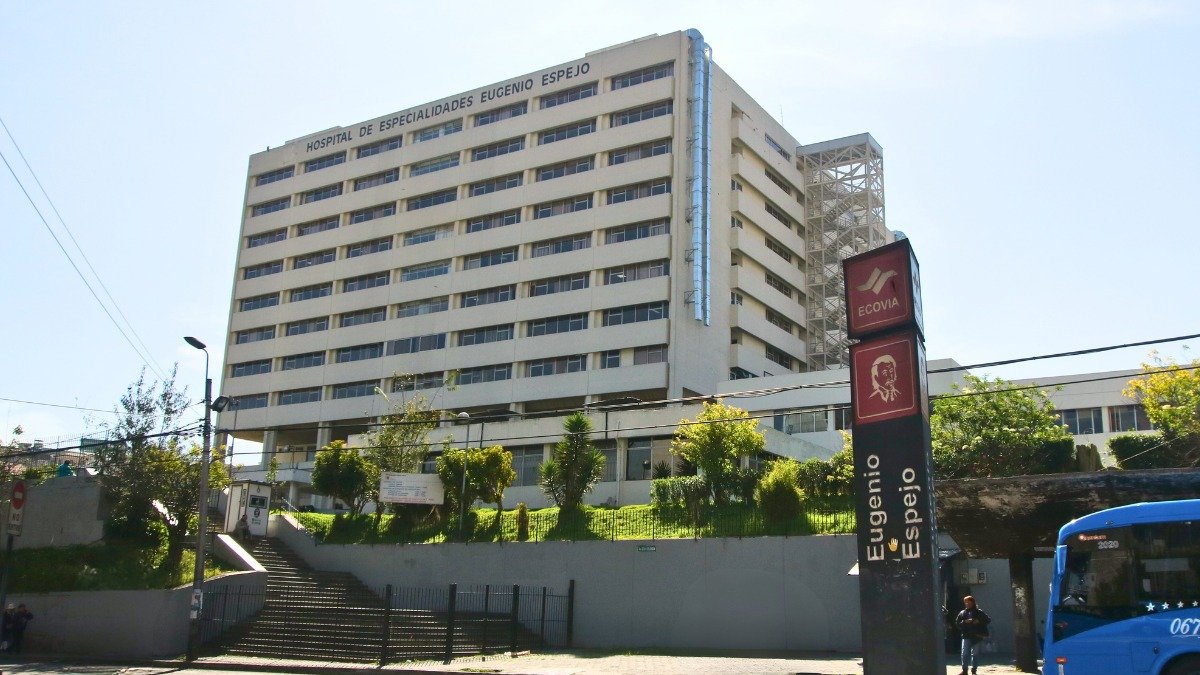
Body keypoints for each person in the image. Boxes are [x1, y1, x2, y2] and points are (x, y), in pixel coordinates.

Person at [955, 595, 991, 675]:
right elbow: (957, 623)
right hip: (966, 635)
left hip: (976, 636)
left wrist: (978, 621)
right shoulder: (963, 613)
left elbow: (988, 619)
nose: (967, 604)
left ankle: (974, 670)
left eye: (969, 602)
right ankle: (964, 670)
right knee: (964, 654)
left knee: (975, 654)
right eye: (966, 602)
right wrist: (964, 622)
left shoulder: (979, 612)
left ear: (973, 602)